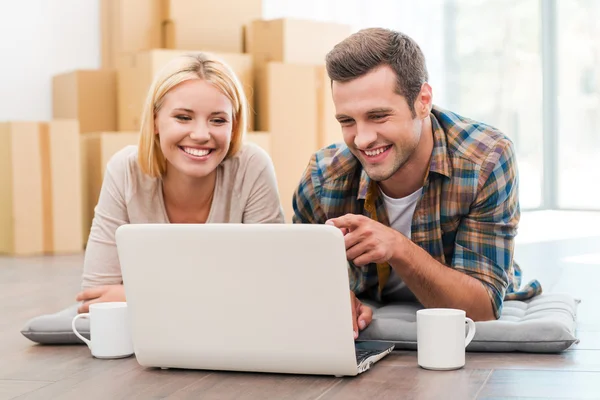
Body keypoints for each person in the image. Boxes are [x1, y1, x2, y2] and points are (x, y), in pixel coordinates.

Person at [292, 28, 542, 337]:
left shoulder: (485, 159)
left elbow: (483, 310)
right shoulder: (323, 177)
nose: (362, 138)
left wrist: (397, 247)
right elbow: (299, 277)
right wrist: (333, 298)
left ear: (423, 100)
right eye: (347, 121)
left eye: (379, 116)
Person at [76, 53, 285, 312]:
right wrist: (218, 294)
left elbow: (269, 289)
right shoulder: (126, 171)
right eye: (183, 117)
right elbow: (95, 299)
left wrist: (138, 296)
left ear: (234, 127)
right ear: (155, 120)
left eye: (218, 120)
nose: (200, 134)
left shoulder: (251, 167)